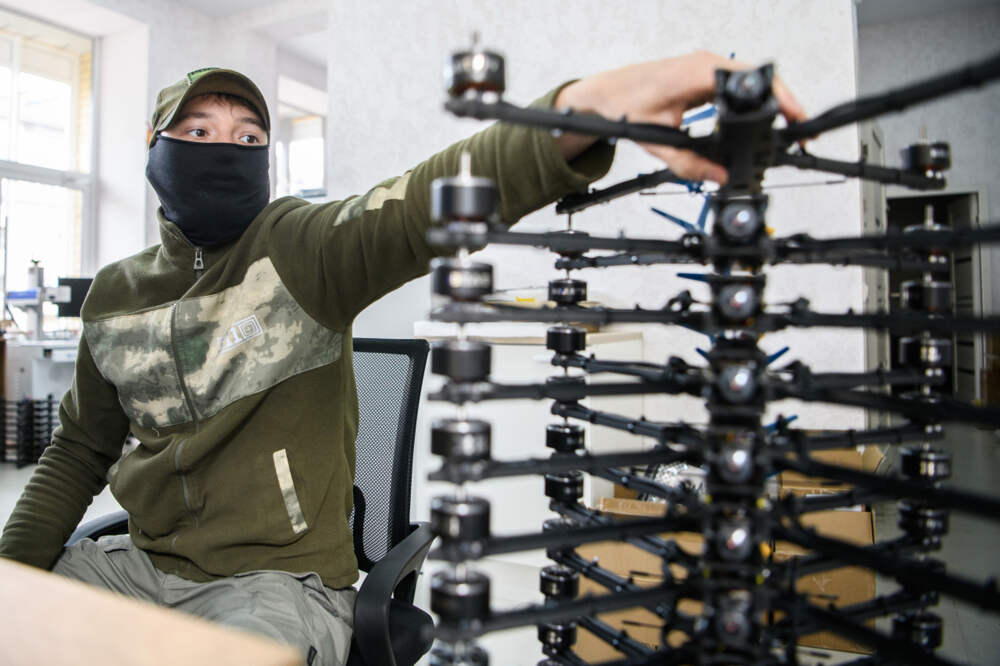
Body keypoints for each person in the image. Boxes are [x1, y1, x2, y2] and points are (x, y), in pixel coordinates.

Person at [0, 52, 805, 665]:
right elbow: (78, 450)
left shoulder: (299, 251)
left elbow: (420, 201)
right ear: (155, 149)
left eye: (249, 137)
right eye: (199, 132)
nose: (226, 148)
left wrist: (587, 108)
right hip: (137, 566)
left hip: (274, 586)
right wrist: (13, 569)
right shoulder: (116, 295)